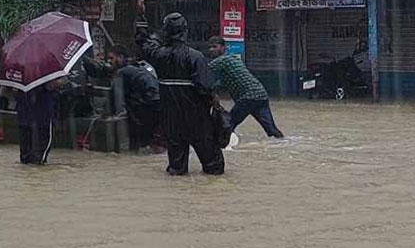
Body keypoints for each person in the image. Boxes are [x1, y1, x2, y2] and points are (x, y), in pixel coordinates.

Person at [137, 13, 224, 176]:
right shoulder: (195, 57)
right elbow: (206, 87)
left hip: (171, 120)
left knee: (177, 170)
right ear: (185, 32)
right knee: (214, 167)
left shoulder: (158, 55)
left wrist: (142, 15)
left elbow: (143, 43)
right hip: (197, 119)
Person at [85, 45, 161, 152]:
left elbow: (113, 99)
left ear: (120, 57)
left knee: (137, 142)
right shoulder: (139, 66)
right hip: (159, 106)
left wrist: (102, 116)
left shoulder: (121, 73)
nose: (108, 61)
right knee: (149, 142)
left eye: (111, 58)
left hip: (146, 108)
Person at [207, 36, 285, 139]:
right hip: (261, 95)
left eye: (214, 47)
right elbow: (223, 82)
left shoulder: (222, 60)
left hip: (248, 97)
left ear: (223, 48)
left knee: (227, 124)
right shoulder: (233, 59)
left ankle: (223, 146)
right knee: (272, 130)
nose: (211, 50)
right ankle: (283, 142)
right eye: (210, 47)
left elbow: (203, 70)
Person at [15, 79, 63, 165]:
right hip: (43, 115)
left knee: (25, 157)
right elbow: (51, 86)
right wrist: (61, 81)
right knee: (40, 158)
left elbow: (3, 92)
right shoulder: (45, 71)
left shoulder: (18, 72)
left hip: (24, 114)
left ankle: (26, 172)